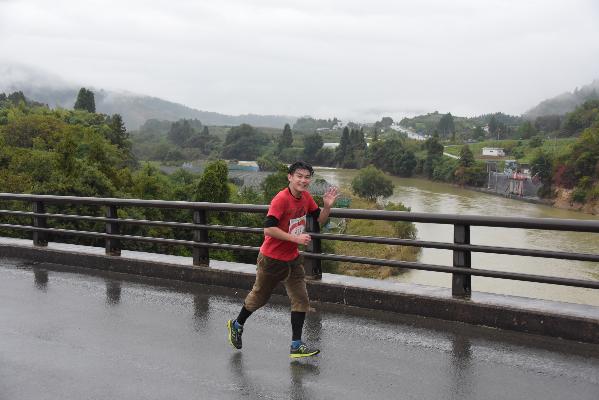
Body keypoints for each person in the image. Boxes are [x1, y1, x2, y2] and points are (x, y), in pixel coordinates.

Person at [227, 161, 338, 358]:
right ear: (290, 177)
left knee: (301, 299)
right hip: (271, 259)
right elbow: (268, 229)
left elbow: (317, 222)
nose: (303, 180)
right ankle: (236, 324)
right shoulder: (281, 199)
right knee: (259, 297)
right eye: (299, 176)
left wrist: (327, 207)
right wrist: (296, 238)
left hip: (292, 258)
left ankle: (296, 345)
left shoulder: (306, 197)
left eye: (307, 177)